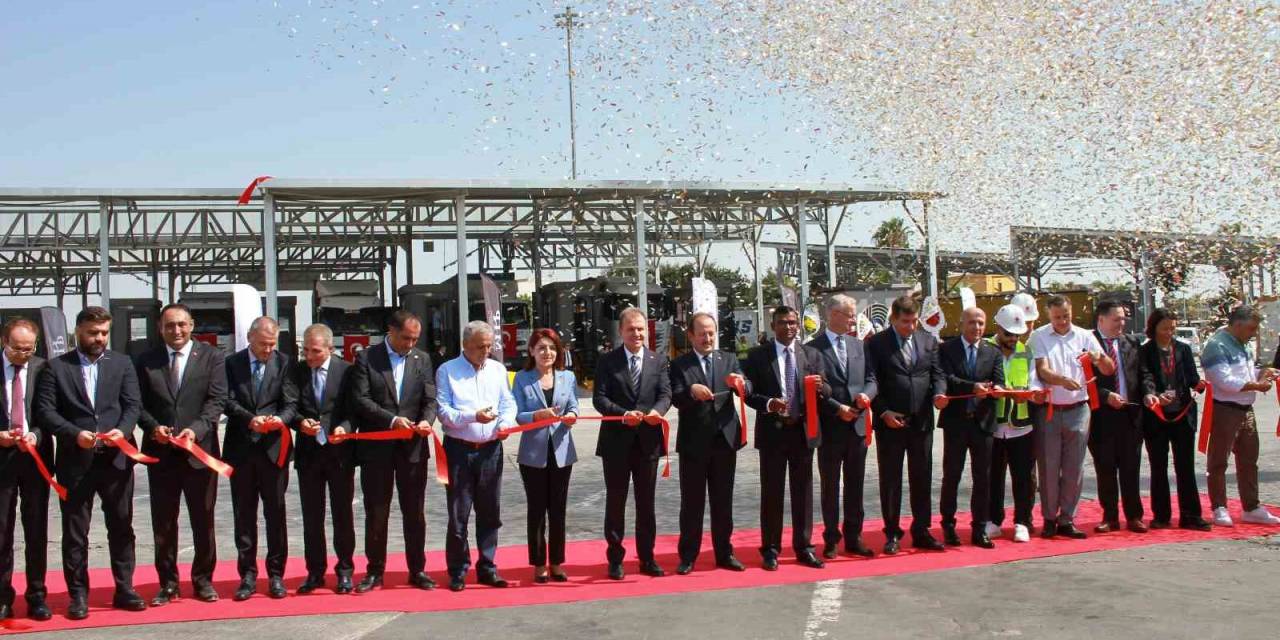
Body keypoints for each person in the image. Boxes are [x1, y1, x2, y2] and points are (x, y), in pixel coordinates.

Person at [35, 307, 146, 620]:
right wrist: (73, 434)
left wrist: (122, 431)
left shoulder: (122, 363)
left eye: (104, 333)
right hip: (75, 462)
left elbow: (132, 405)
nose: (99, 338)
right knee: (75, 533)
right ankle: (78, 595)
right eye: (92, 333)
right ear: (78, 332)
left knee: (121, 527)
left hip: (116, 460)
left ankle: (125, 589)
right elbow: (46, 411)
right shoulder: (55, 368)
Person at [135, 304, 227, 605]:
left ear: (192, 325)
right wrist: (152, 428)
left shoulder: (212, 357)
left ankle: (203, 581)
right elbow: (137, 404)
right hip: (161, 454)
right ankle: (168, 583)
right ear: (161, 328)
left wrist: (197, 430)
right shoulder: (146, 360)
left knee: (204, 519)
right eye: (170, 325)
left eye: (182, 325)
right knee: (163, 522)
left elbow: (217, 400)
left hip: (198, 453)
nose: (176, 331)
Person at [349, 309, 438, 592]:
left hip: (412, 448)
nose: (410, 344)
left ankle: (418, 569)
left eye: (415, 339)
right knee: (377, 511)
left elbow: (430, 398)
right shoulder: (367, 358)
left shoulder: (422, 359)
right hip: (377, 449)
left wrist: (427, 420)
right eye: (405, 338)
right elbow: (359, 399)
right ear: (391, 331)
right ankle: (375, 571)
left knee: (415, 511)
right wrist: (391, 420)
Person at [743, 306, 829, 570]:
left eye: (793, 323)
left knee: (803, 492)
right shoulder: (758, 356)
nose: (789, 327)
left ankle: (804, 547)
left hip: (803, 433)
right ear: (773, 325)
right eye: (783, 323)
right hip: (773, 433)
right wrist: (769, 403)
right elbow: (747, 392)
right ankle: (770, 548)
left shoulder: (811, 354)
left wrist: (820, 388)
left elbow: (827, 388)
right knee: (772, 493)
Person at [436, 321, 518, 592]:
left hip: (491, 450)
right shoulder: (447, 371)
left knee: (490, 511)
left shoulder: (497, 370)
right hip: (458, 449)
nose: (486, 351)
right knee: (459, 513)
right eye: (480, 347)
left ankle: (487, 566)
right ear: (465, 346)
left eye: (489, 346)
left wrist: (505, 423)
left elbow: (507, 402)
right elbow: (444, 412)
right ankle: (458, 569)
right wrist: (473, 416)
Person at [593, 307, 672, 580]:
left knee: (646, 503)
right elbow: (599, 399)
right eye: (631, 329)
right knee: (615, 501)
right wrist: (622, 414)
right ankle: (615, 558)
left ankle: (647, 558)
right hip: (615, 442)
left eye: (640, 329)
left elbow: (665, 393)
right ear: (621, 332)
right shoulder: (607, 361)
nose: (636, 333)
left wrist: (658, 412)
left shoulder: (658, 360)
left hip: (648, 443)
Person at [223, 316, 297, 601]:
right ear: (250, 338)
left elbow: (291, 402)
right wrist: (250, 420)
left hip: (273, 450)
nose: (268, 349)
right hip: (241, 449)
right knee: (244, 514)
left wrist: (279, 420)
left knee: (275, 513)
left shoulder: (285, 363)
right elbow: (226, 400)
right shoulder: (232, 364)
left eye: (272, 344)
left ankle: (276, 574)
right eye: (264, 344)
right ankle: (248, 575)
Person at [865, 296, 947, 554]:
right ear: (893, 319)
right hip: (890, 422)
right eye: (904, 322)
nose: (910, 327)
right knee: (891, 480)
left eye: (913, 322)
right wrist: (883, 411)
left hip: (921, 421)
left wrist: (939, 394)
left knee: (922, 477)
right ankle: (892, 533)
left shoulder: (928, 341)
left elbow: (938, 375)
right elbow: (871, 379)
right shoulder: (877, 344)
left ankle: (922, 530)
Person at [670, 313, 750, 574]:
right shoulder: (680, 364)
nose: (707, 338)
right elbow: (676, 397)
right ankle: (688, 555)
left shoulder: (727, 359)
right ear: (691, 335)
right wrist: (691, 392)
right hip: (694, 443)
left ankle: (724, 553)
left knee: (722, 501)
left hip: (724, 441)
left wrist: (740, 384)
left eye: (711, 333)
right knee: (691, 503)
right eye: (702, 333)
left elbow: (746, 385)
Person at [1029, 295, 1114, 540]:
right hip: (1050, 409)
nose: (1062, 321)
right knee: (1048, 466)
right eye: (1057, 317)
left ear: (1071, 312)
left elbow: (1108, 368)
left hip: (1078, 408)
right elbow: (1043, 370)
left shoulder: (1085, 336)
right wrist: (1062, 381)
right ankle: (1048, 518)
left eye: (1065, 316)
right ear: (1049, 315)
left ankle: (1067, 517)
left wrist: (1100, 359)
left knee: (1074, 467)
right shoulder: (1040, 336)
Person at [807, 295, 878, 559]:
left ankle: (854, 536)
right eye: (849, 314)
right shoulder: (813, 349)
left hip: (857, 426)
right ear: (833, 314)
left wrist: (867, 396)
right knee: (830, 486)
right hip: (831, 427)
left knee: (855, 484)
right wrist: (838, 408)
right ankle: (831, 538)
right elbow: (814, 389)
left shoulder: (859, 346)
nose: (853, 319)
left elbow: (872, 378)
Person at [290, 324, 358, 595]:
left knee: (343, 514)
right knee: (312, 517)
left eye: (315, 351)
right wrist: (298, 422)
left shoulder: (347, 371)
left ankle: (344, 570)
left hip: (339, 454)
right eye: (305, 350)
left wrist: (345, 427)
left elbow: (355, 409)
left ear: (330, 349)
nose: (309, 356)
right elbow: (290, 405)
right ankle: (315, 572)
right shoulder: (296, 371)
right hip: (308, 454)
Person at [1201, 305, 1280, 526]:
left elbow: (1243, 375)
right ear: (1237, 325)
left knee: (1249, 460)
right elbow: (1223, 381)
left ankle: (1251, 506)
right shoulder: (1216, 345)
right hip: (1225, 408)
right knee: (1218, 461)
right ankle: (1219, 507)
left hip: (1246, 408)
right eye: (1251, 328)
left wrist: (1263, 374)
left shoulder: (1242, 344)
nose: (1254, 333)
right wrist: (1256, 384)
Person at [513, 329, 579, 583]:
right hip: (533, 453)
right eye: (541, 348)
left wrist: (572, 415)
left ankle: (557, 563)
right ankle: (539, 563)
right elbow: (517, 414)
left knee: (559, 509)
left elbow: (573, 404)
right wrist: (537, 416)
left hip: (562, 450)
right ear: (531, 351)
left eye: (552, 348)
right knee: (537, 509)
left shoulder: (567, 377)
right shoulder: (522, 378)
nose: (547, 353)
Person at [937, 307, 1004, 549]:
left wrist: (994, 389)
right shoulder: (946, 349)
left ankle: (979, 528)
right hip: (956, 423)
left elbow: (1000, 381)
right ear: (961, 323)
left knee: (982, 478)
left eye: (981, 323)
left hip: (983, 423)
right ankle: (948, 526)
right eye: (972, 323)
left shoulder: (992, 352)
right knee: (952, 476)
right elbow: (947, 379)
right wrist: (973, 387)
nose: (976, 327)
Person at [1139, 308, 1211, 531]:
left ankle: (1190, 515)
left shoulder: (1184, 349)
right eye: (1164, 328)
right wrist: (1154, 395)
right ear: (1154, 328)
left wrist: (1198, 383)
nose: (1169, 332)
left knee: (1185, 466)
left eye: (1172, 328)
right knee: (1158, 466)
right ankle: (1161, 515)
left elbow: (1191, 377)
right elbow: (1145, 376)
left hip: (1182, 415)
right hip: (1157, 417)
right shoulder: (1146, 351)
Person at [0, 318, 51, 621]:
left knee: (36, 531)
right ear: (3, 342)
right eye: (17, 349)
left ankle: (37, 595)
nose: (23, 355)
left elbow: (50, 411)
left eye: (29, 349)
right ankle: (3, 597)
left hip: (35, 460)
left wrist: (37, 435)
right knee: (2, 533)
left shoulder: (44, 368)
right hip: (1, 461)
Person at [1089, 301, 1151, 534]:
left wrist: (1149, 394)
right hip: (1102, 416)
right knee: (1105, 468)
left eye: (1123, 319)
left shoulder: (1131, 343)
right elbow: (1083, 380)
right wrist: (1105, 396)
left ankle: (1134, 516)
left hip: (1130, 414)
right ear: (1101, 320)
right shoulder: (1087, 343)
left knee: (1130, 467)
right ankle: (1110, 516)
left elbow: (1143, 374)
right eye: (1117, 319)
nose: (1122, 323)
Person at [985, 304, 1045, 544]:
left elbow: (1035, 382)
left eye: (1016, 334)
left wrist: (1032, 393)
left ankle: (1022, 521)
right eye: (1008, 333)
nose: (1012, 338)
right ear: (997, 328)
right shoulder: (985, 349)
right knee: (993, 477)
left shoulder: (1026, 351)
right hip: (993, 424)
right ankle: (993, 521)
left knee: (1023, 477)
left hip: (1021, 424)